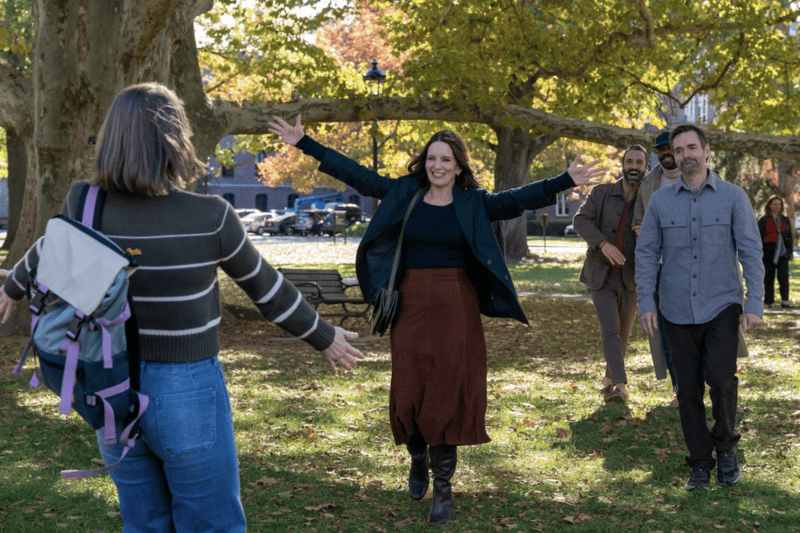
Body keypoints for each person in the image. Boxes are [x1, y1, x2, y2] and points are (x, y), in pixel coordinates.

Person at [0, 82, 364, 533]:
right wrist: (325, 337)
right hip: (186, 388)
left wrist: (12, 287)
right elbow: (268, 291)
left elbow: (47, 247)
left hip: (109, 385)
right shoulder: (210, 216)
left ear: (112, 139)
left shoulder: (85, 203)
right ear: (175, 140)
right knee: (211, 526)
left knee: (144, 525)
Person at [267, 114, 605, 525]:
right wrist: (304, 142)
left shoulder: (473, 202)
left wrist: (565, 179)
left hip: (456, 307)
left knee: (447, 390)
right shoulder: (405, 192)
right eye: (432, 158)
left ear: (458, 166)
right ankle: (417, 455)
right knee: (410, 386)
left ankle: (443, 486)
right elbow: (357, 175)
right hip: (410, 304)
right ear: (423, 162)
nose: (437, 165)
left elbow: (519, 199)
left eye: (446, 159)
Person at [636, 124, 764, 492]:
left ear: (706, 151)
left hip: (722, 304)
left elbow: (751, 252)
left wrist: (754, 302)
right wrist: (646, 301)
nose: (685, 155)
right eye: (678, 150)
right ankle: (700, 461)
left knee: (722, 381)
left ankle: (726, 448)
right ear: (673, 157)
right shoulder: (660, 201)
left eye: (692, 147)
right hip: (674, 309)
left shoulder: (733, 197)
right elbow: (646, 254)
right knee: (687, 390)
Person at [573, 145, 646, 402]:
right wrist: (603, 244)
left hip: (632, 277)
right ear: (622, 165)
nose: (634, 166)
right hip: (601, 275)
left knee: (622, 333)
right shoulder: (601, 192)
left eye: (639, 162)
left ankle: (608, 378)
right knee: (610, 329)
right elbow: (580, 220)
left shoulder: (649, 199)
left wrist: (647, 231)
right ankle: (620, 385)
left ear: (646, 167)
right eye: (629, 161)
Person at [632, 130, 681, 400]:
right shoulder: (649, 184)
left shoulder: (701, 177)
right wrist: (640, 229)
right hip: (661, 269)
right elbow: (638, 221)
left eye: (669, 148)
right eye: (660, 150)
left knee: (701, 329)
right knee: (667, 331)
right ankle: (679, 387)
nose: (665, 153)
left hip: (698, 268)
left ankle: (706, 380)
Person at [758, 195, 794, 308]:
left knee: (783, 276)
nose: (777, 206)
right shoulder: (764, 219)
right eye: (775, 204)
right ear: (769, 205)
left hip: (782, 251)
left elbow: (789, 236)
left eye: (779, 204)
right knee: (768, 276)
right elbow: (758, 236)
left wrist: (791, 251)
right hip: (768, 250)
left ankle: (785, 301)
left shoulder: (785, 219)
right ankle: (769, 302)